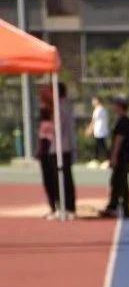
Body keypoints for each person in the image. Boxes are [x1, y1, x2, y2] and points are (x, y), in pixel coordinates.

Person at [37, 83, 76, 219]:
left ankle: (66, 207)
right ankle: (58, 207)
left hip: (59, 148)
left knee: (62, 178)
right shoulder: (50, 108)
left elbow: (57, 128)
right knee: (54, 179)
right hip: (53, 148)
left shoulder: (61, 107)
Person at [98, 96, 129, 218]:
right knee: (121, 182)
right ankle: (123, 207)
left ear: (120, 106)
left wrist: (114, 156)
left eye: (115, 104)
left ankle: (114, 207)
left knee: (118, 181)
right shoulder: (122, 120)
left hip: (122, 157)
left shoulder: (123, 121)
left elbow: (119, 140)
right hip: (123, 156)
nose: (113, 107)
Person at [86, 95, 110, 167]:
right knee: (98, 146)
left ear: (97, 100)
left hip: (100, 132)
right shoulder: (102, 109)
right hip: (99, 131)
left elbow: (93, 121)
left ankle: (108, 160)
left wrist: (89, 129)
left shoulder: (98, 110)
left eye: (94, 100)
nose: (92, 102)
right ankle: (96, 160)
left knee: (102, 146)